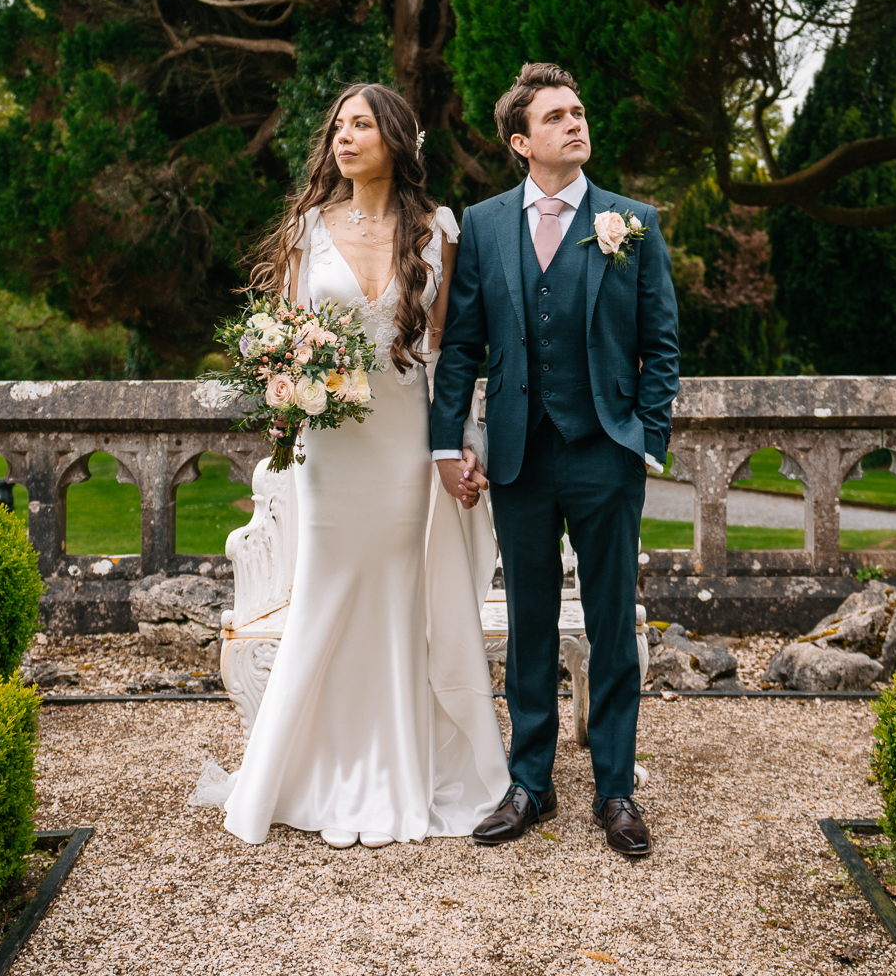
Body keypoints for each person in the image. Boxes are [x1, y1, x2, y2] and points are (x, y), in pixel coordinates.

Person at [198, 82, 509, 848]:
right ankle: (301, 769)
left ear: (396, 139)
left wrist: (457, 441)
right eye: (338, 126)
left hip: (407, 439)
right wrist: (286, 381)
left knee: (402, 595)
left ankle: (401, 767)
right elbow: (285, 331)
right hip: (332, 446)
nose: (343, 137)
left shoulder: (438, 230)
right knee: (330, 591)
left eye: (361, 125)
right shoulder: (308, 228)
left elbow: (447, 349)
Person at [429, 62, 681, 857]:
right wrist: (447, 441)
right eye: (556, 117)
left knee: (611, 624)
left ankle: (616, 792)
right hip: (520, 457)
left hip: (606, 450)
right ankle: (530, 786)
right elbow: (463, 345)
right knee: (531, 622)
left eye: (579, 111)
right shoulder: (486, 223)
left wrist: (647, 437)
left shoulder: (630, 222)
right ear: (520, 141)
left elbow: (661, 345)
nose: (575, 124)